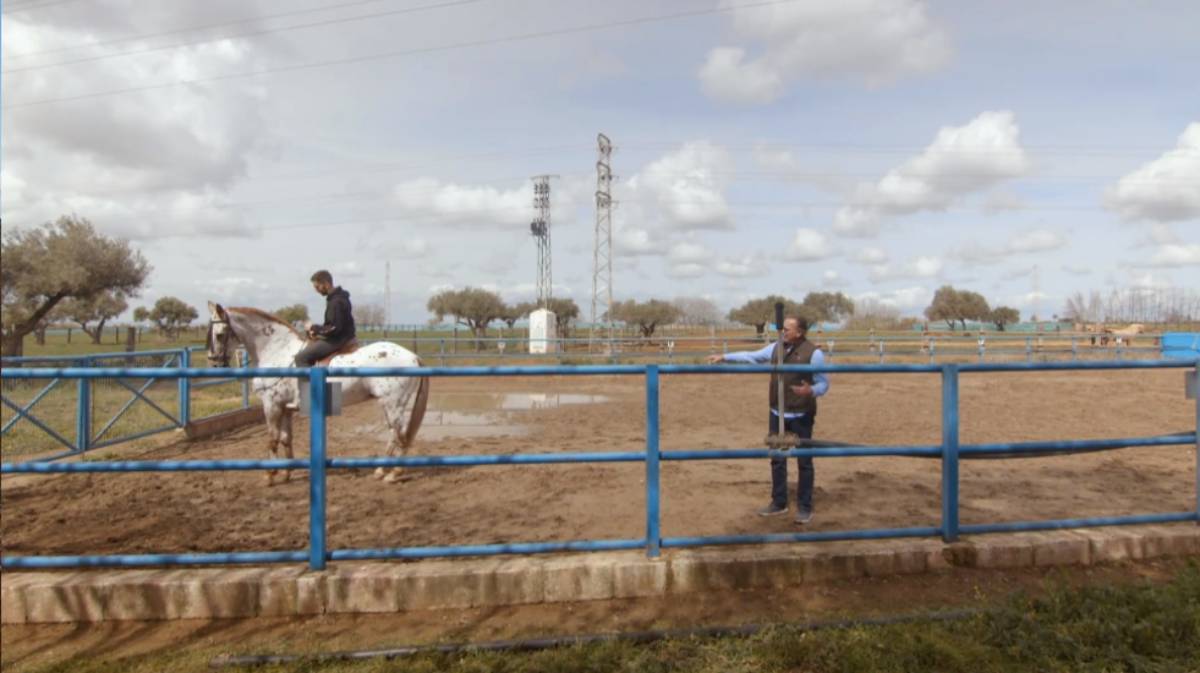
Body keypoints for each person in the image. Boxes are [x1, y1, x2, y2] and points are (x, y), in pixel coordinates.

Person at [706, 316, 830, 524]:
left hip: (801, 415)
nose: (781, 332)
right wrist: (725, 356)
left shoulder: (814, 354)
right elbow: (752, 356)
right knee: (777, 458)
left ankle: (805, 507)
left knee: (804, 461)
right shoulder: (776, 347)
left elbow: (824, 384)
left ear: (799, 332)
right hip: (777, 413)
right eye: (781, 328)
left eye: (787, 329)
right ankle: (779, 502)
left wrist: (811, 390)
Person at [294, 270, 356, 367]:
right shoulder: (338, 298)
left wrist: (313, 328)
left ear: (326, 284)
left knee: (301, 358)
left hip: (338, 340)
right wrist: (317, 333)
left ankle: (309, 383)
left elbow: (334, 328)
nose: (316, 290)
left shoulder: (336, 302)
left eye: (317, 287)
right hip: (343, 336)